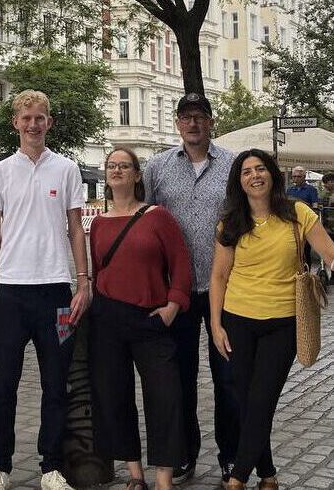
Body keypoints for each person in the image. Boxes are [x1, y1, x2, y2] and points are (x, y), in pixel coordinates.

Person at [0, 89, 89, 490]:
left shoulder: (66, 169)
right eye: (26, 118)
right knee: (4, 383)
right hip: (10, 292)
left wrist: (83, 280)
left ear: (49, 122)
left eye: (39, 118)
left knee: (55, 383)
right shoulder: (0, 172)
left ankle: (51, 466)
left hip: (57, 291)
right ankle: (0, 466)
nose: (33, 124)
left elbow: (76, 227)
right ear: (15, 123)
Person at [209, 149, 334, 490]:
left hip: (283, 323)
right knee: (246, 401)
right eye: (246, 171)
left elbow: (330, 254)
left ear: (272, 175)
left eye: (260, 168)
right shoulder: (231, 223)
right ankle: (268, 475)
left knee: (262, 399)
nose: (254, 175)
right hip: (237, 321)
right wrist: (216, 325)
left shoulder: (298, 214)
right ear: (239, 182)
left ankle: (237, 477)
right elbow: (219, 276)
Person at [142, 92, 239, 486]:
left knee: (228, 376)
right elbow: (142, 220)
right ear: (177, 123)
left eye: (200, 116)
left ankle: (231, 455)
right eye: (187, 117)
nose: (193, 123)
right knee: (178, 377)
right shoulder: (157, 168)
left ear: (211, 121)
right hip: (175, 291)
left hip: (226, 289)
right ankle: (184, 453)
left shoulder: (232, 165)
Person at [88, 148, 191, 490]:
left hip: (150, 318)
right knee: (114, 395)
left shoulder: (157, 216)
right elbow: (98, 268)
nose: (116, 170)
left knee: (165, 396)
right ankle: (135, 473)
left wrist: (174, 306)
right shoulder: (100, 222)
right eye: (111, 166)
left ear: (136, 175)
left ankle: (164, 476)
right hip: (108, 318)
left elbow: (180, 265)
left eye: (124, 166)